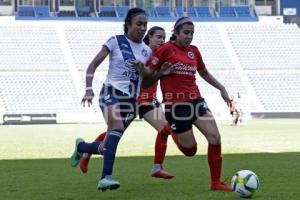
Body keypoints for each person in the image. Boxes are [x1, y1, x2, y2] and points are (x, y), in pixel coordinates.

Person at [144, 17, 233, 191]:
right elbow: (146, 78)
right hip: (176, 106)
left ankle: (216, 182)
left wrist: (221, 88)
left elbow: (204, 73)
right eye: (186, 33)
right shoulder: (165, 49)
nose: (189, 36)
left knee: (215, 138)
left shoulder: (194, 51)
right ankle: (170, 128)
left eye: (192, 33)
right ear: (175, 33)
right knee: (190, 151)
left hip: (196, 101)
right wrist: (161, 73)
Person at [78, 26, 177, 179]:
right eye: (158, 37)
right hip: (133, 99)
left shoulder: (157, 55)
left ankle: (157, 167)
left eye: (163, 38)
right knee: (113, 134)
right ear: (149, 37)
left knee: (164, 128)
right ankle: (86, 150)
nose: (161, 41)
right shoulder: (142, 53)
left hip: (148, 100)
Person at [70, 8, 152, 191]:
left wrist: (143, 69)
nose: (142, 28)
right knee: (116, 128)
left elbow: (146, 79)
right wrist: (88, 89)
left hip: (131, 101)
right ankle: (105, 177)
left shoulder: (147, 51)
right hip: (111, 92)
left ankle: (82, 147)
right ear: (128, 24)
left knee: (107, 145)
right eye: (138, 24)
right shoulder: (116, 41)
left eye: (145, 25)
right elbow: (93, 64)